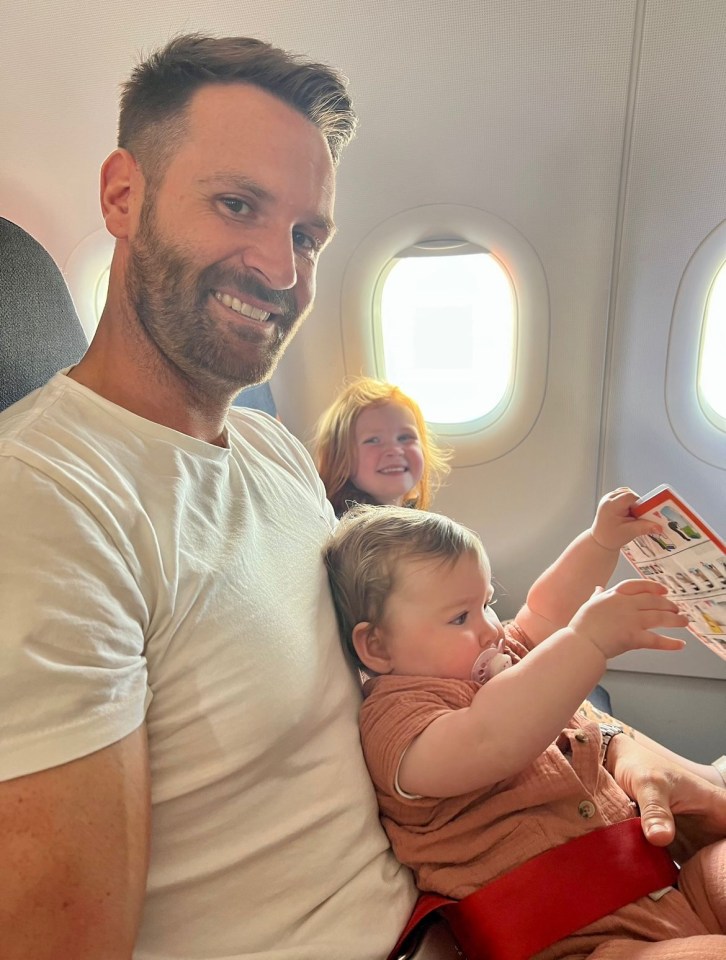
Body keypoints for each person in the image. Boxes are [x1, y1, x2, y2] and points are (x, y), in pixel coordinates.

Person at [0, 31, 723, 960]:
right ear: (122, 195)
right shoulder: (50, 505)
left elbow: (451, 668)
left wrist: (631, 753)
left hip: (473, 902)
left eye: (308, 235)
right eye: (236, 205)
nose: (281, 268)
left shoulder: (270, 451)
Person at [323, 498, 726, 958]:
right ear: (376, 646)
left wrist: (599, 542)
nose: (490, 630)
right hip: (584, 942)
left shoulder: (496, 657)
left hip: (665, 885)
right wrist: (586, 642)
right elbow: (492, 738)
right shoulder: (398, 720)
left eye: (487, 605)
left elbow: (545, 610)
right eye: (460, 617)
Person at [314, 375, 450, 515]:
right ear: (340, 460)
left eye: (405, 437)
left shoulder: (409, 518)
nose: (394, 450)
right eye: (373, 440)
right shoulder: (351, 525)